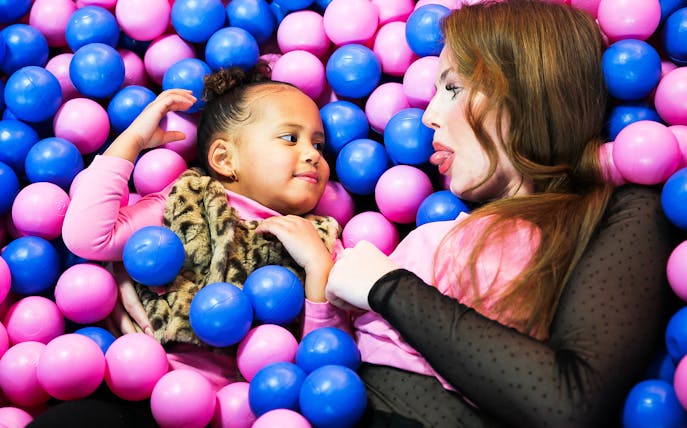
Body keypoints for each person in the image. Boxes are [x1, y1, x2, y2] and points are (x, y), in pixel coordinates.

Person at [322, 1, 678, 427]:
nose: (428, 117)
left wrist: (387, 287)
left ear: (525, 89)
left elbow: (567, 401)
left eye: (452, 88)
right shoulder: (452, 229)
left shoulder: (624, 208)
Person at [29, 64, 346, 427]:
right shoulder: (187, 200)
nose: (313, 155)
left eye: (318, 144)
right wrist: (132, 140)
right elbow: (88, 236)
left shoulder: (321, 240)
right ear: (225, 159)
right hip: (143, 389)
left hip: (250, 409)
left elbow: (329, 364)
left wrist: (319, 269)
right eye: (291, 139)